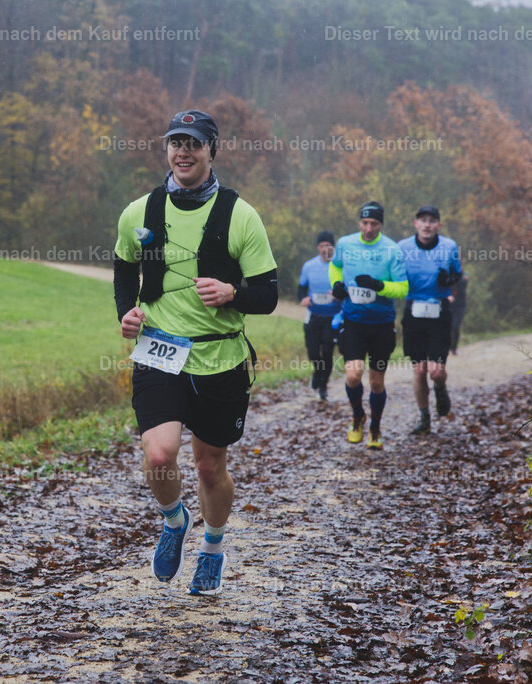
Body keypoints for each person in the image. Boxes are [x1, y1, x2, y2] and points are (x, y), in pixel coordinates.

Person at [113, 110, 278, 596]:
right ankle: (173, 520)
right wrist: (127, 312)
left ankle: (213, 546)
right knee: (159, 454)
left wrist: (233, 293)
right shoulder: (138, 212)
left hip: (220, 358)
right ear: (166, 149)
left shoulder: (240, 215)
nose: (182, 151)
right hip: (159, 351)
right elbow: (124, 268)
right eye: (174, 142)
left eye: (193, 143)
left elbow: (268, 294)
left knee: (209, 465)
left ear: (212, 150)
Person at [329, 201, 408, 450]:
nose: (368, 228)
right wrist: (337, 285)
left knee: (376, 383)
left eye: (374, 223)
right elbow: (335, 266)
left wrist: (379, 285)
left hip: (382, 325)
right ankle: (357, 416)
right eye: (364, 223)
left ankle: (375, 427)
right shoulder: (345, 243)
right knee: (353, 375)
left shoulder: (392, 250)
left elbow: (403, 288)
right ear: (359, 223)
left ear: (381, 224)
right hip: (352, 321)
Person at [398, 206, 463, 435]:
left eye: (432, 221)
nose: (427, 225)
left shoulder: (449, 247)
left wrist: (450, 279)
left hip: (439, 313)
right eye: (422, 220)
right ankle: (424, 416)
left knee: (435, 371)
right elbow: (394, 276)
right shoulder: (402, 247)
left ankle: (441, 386)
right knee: (419, 370)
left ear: (439, 225)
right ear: (415, 224)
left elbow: (458, 274)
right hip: (413, 312)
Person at [298, 231, 341, 400]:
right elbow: (301, 288)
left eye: (328, 246)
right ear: (318, 247)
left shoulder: (339, 266)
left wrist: (339, 294)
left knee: (328, 351)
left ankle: (323, 385)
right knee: (313, 352)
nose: (325, 249)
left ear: (333, 247)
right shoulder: (309, 266)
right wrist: (303, 298)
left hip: (333, 317)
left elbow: (346, 289)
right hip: (313, 315)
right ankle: (318, 371)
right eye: (322, 245)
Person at [449, 274, 467, 355]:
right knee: (447, 327)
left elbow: (463, 283)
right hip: (448, 306)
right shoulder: (446, 275)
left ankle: (454, 347)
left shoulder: (463, 277)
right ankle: (447, 346)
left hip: (460, 306)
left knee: (455, 326)